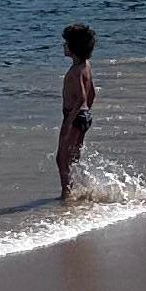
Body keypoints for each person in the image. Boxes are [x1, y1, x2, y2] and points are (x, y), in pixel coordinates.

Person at [57, 21, 98, 198]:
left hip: (73, 117)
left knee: (62, 158)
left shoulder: (75, 71)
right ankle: (75, 188)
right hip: (83, 116)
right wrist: (86, 111)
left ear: (73, 48)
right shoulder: (86, 66)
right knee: (73, 157)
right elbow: (93, 93)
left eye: (66, 43)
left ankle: (67, 192)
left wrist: (68, 122)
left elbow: (82, 97)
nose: (63, 45)